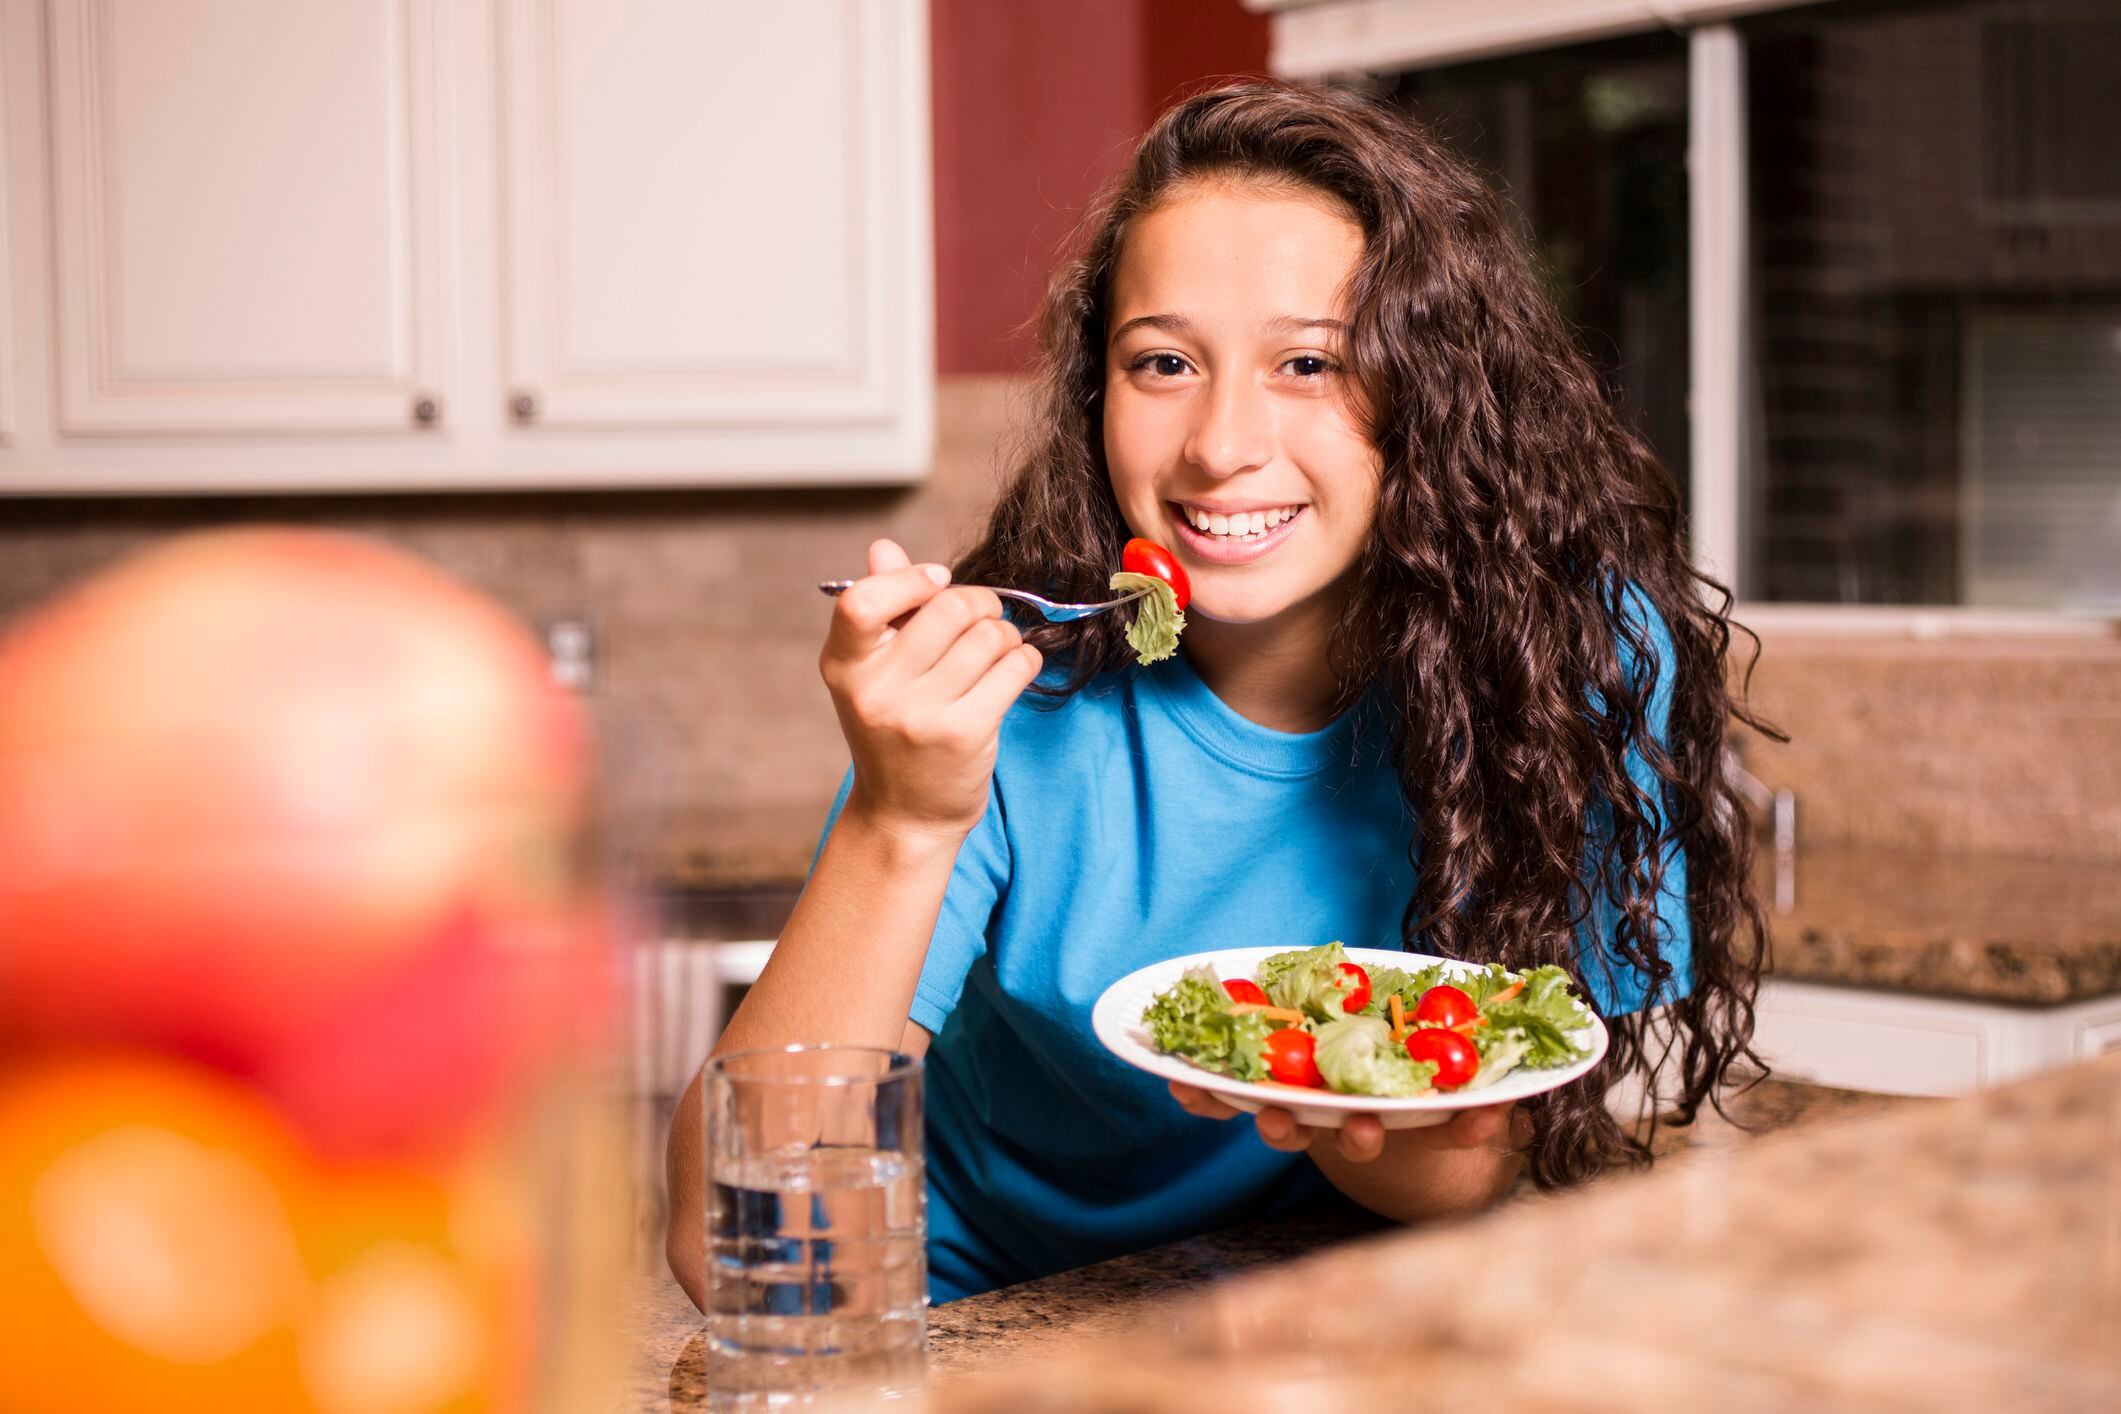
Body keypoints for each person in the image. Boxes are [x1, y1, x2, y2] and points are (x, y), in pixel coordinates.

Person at [667, 82, 1775, 1306]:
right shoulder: (1010, 696)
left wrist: (1321, 1101)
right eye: (1164, 362)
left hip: (1320, 1315)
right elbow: (744, 1251)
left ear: (1436, 397)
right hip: (987, 1319)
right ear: (1098, 397)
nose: (1220, 443)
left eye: (1309, 361)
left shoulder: (1573, 663)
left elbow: (1471, 1175)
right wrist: (901, 819)